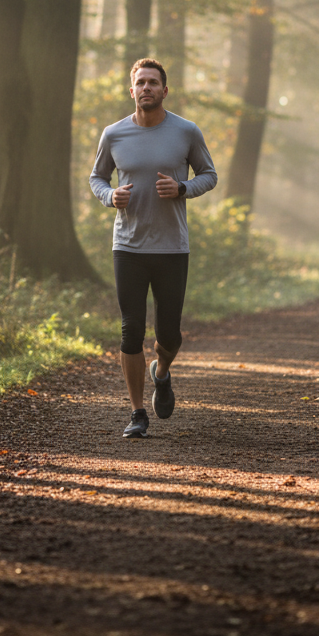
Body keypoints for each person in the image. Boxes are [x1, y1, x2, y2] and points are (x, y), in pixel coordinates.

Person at [89, 58, 218, 438]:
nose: (146, 88)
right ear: (131, 91)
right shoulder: (113, 134)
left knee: (170, 335)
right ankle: (137, 413)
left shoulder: (186, 131)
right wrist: (110, 195)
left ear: (165, 90)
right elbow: (97, 177)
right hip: (127, 246)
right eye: (140, 83)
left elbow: (209, 175)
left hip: (172, 247)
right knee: (131, 331)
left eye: (153, 83)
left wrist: (182, 189)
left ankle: (161, 373)